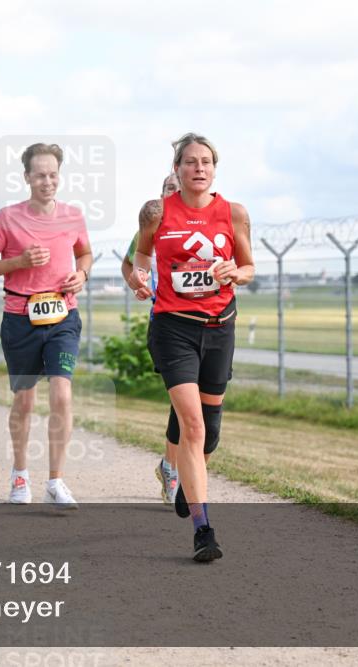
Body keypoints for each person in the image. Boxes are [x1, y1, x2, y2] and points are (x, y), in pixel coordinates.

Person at [130, 132, 255, 562]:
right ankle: (204, 530)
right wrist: (139, 279)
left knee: (210, 432)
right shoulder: (156, 212)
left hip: (220, 328)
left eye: (206, 162)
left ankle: (188, 479)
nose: (199, 168)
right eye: (190, 162)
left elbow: (249, 267)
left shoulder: (234, 213)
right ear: (177, 169)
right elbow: (141, 257)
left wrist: (235, 272)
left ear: (214, 169)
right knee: (193, 427)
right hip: (173, 328)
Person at [0, 143, 92, 509]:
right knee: (24, 401)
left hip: (63, 316)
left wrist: (82, 274)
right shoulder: (7, 218)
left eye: (53, 175)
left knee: (62, 394)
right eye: (40, 175)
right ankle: (20, 474)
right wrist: (19, 262)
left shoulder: (73, 215)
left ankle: (56, 481)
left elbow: (84, 253)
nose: (47, 181)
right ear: (26, 177)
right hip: (20, 317)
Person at [121, 173, 183, 504]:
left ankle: (171, 464)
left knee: (199, 406)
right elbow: (129, 264)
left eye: (179, 188)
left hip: (207, 323)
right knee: (182, 401)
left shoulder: (204, 226)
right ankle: (172, 469)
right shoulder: (150, 228)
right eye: (169, 188)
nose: (175, 192)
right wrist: (138, 282)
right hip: (166, 323)